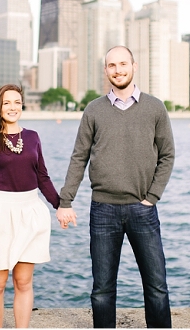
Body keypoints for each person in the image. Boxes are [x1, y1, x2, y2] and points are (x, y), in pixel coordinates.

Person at [56, 45, 175, 328]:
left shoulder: (155, 107)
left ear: (134, 66)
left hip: (142, 210)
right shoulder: (94, 110)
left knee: (157, 288)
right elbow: (79, 157)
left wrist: (152, 197)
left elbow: (167, 155)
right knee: (102, 292)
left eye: (123, 64)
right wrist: (66, 201)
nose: (118, 70)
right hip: (103, 210)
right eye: (112, 65)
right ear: (105, 70)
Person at [0, 84, 61, 328]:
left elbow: (43, 177)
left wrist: (61, 205)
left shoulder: (33, 137)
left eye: (17, 102)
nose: (13, 107)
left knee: (24, 283)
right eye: (7, 103)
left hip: (30, 212)